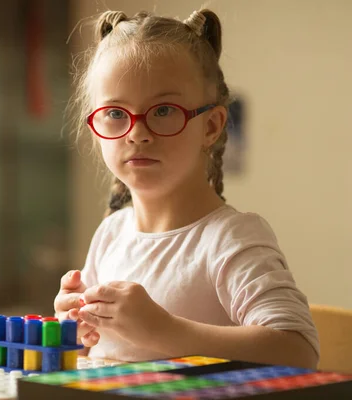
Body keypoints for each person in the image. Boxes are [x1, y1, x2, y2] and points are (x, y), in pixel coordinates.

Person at [54, 7, 319, 368]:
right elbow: (102, 356)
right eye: (116, 113)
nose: (137, 133)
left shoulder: (230, 238)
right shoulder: (111, 233)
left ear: (210, 126)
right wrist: (75, 331)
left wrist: (165, 331)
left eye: (163, 110)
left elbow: (298, 350)